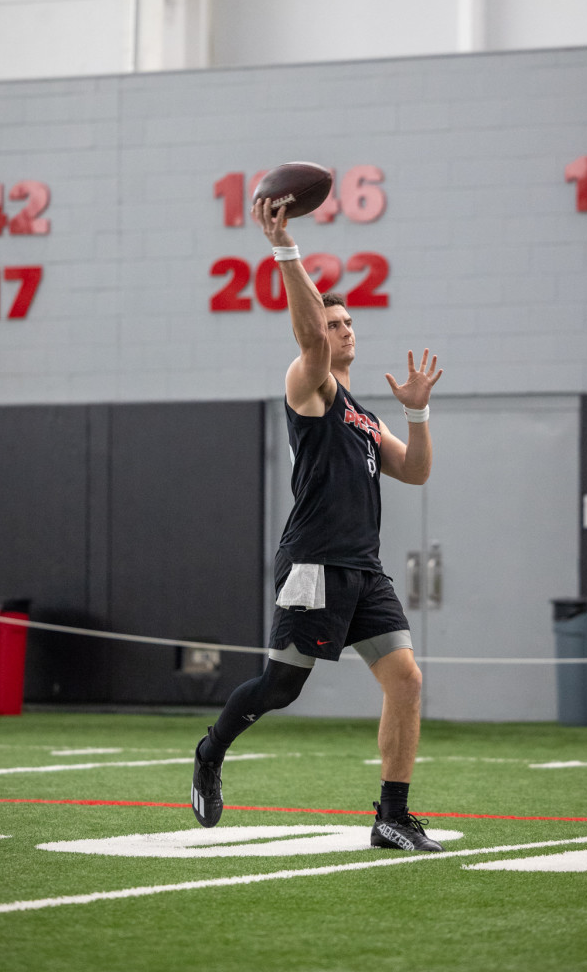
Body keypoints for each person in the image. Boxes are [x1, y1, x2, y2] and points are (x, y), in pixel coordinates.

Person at [191, 195, 444, 852]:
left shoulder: (361, 413)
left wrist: (415, 413)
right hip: (314, 561)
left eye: (350, 320)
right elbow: (306, 337)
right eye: (333, 321)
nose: (344, 328)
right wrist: (286, 250)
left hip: (365, 567)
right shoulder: (310, 385)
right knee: (282, 687)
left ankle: (392, 815)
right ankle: (211, 751)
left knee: (407, 679)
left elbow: (414, 472)